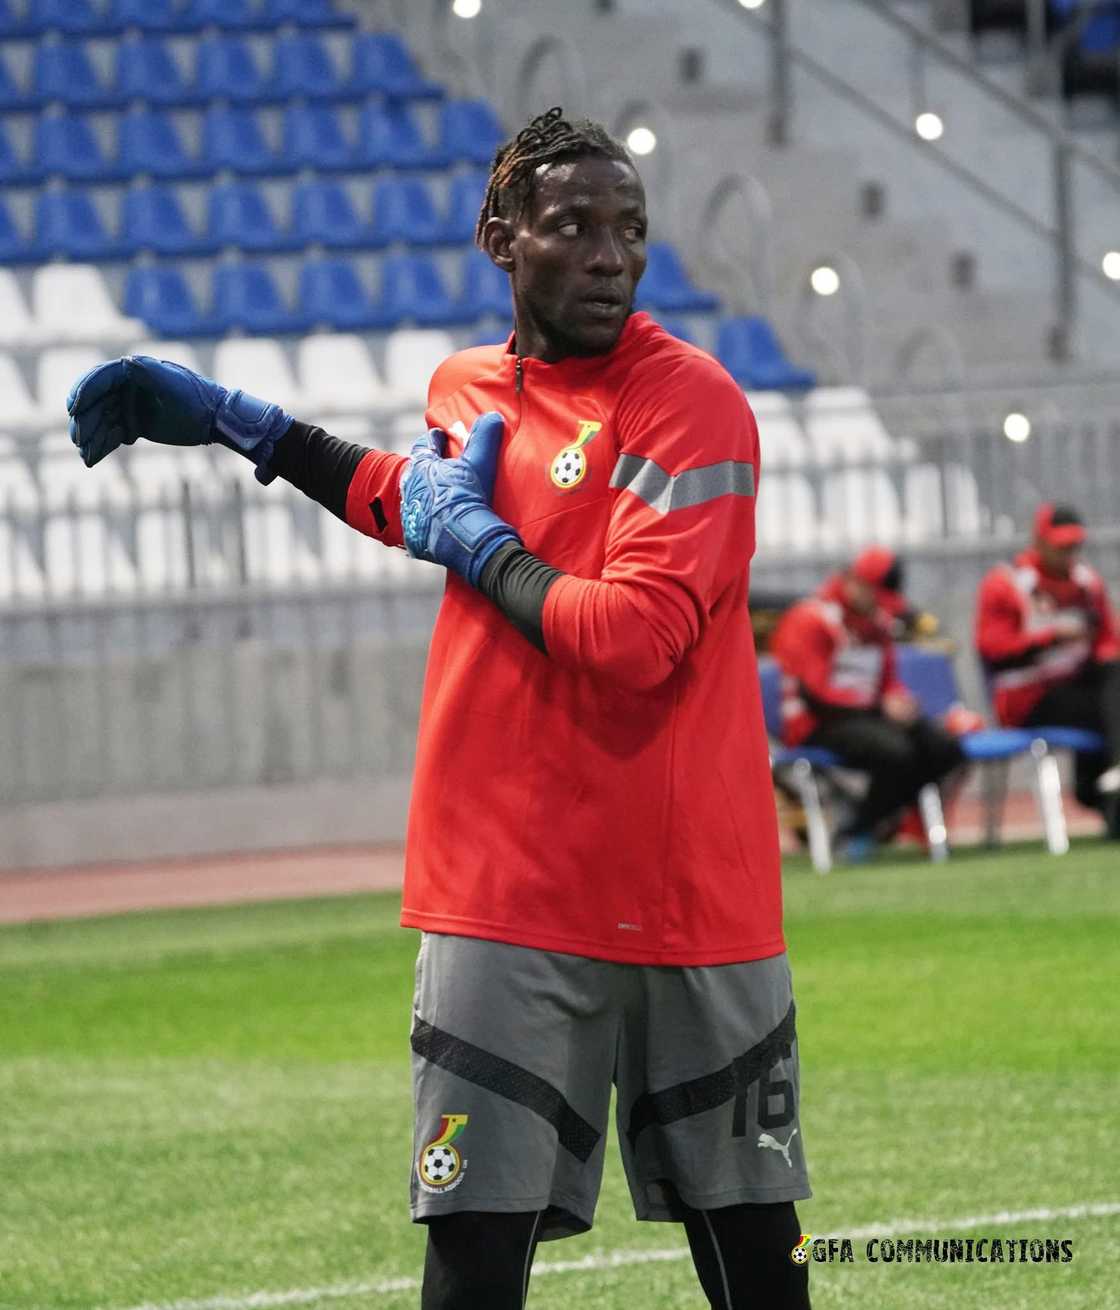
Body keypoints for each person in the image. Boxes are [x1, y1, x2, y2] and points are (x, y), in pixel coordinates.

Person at [66, 108, 811, 1309]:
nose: (611, 254)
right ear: (500, 238)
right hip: (502, 893)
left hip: (691, 895)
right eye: (573, 226)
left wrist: (483, 545)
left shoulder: (695, 403)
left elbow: (633, 636)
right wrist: (239, 422)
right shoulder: (466, 386)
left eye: (629, 229)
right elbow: (411, 501)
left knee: (755, 1250)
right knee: (470, 1250)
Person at [769, 546, 965, 859]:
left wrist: (898, 700)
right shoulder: (810, 619)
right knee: (897, 752)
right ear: (854, 582)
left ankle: (886, 821)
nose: (879, 606)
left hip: (868, 717)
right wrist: (879, 707)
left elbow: (887, 680)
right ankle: (858, 830)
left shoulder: (878, 623)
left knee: (944, 747)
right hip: (818, 723)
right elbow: (815, 695)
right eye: (875, 595)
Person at [975, 502, 1120, 836]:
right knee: (1106, 707)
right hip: (1026, 698)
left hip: (1079, 688)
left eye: (1074, 545)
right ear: (1039, 542)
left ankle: (1106, 784)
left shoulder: (1087, 583)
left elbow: (1107, 644)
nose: (1068, 553)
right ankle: (1099, 786)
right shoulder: (1006, 583)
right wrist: (1050, 638)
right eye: (1060, 546)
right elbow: (994, 650)